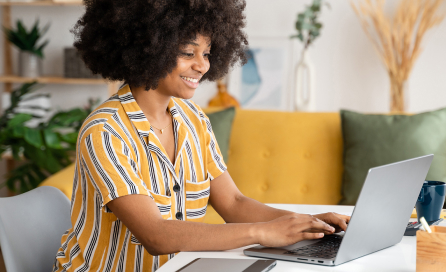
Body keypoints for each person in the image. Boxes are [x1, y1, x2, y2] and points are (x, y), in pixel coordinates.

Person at [52, 0, 350, 271]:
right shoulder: (105, 131)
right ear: (148, 46)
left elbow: (233, 203)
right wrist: (262, 232)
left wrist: (308, 224)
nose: (202, 65)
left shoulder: (194, 120)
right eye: (187, 52)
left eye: (207, 53)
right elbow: (155, 235)